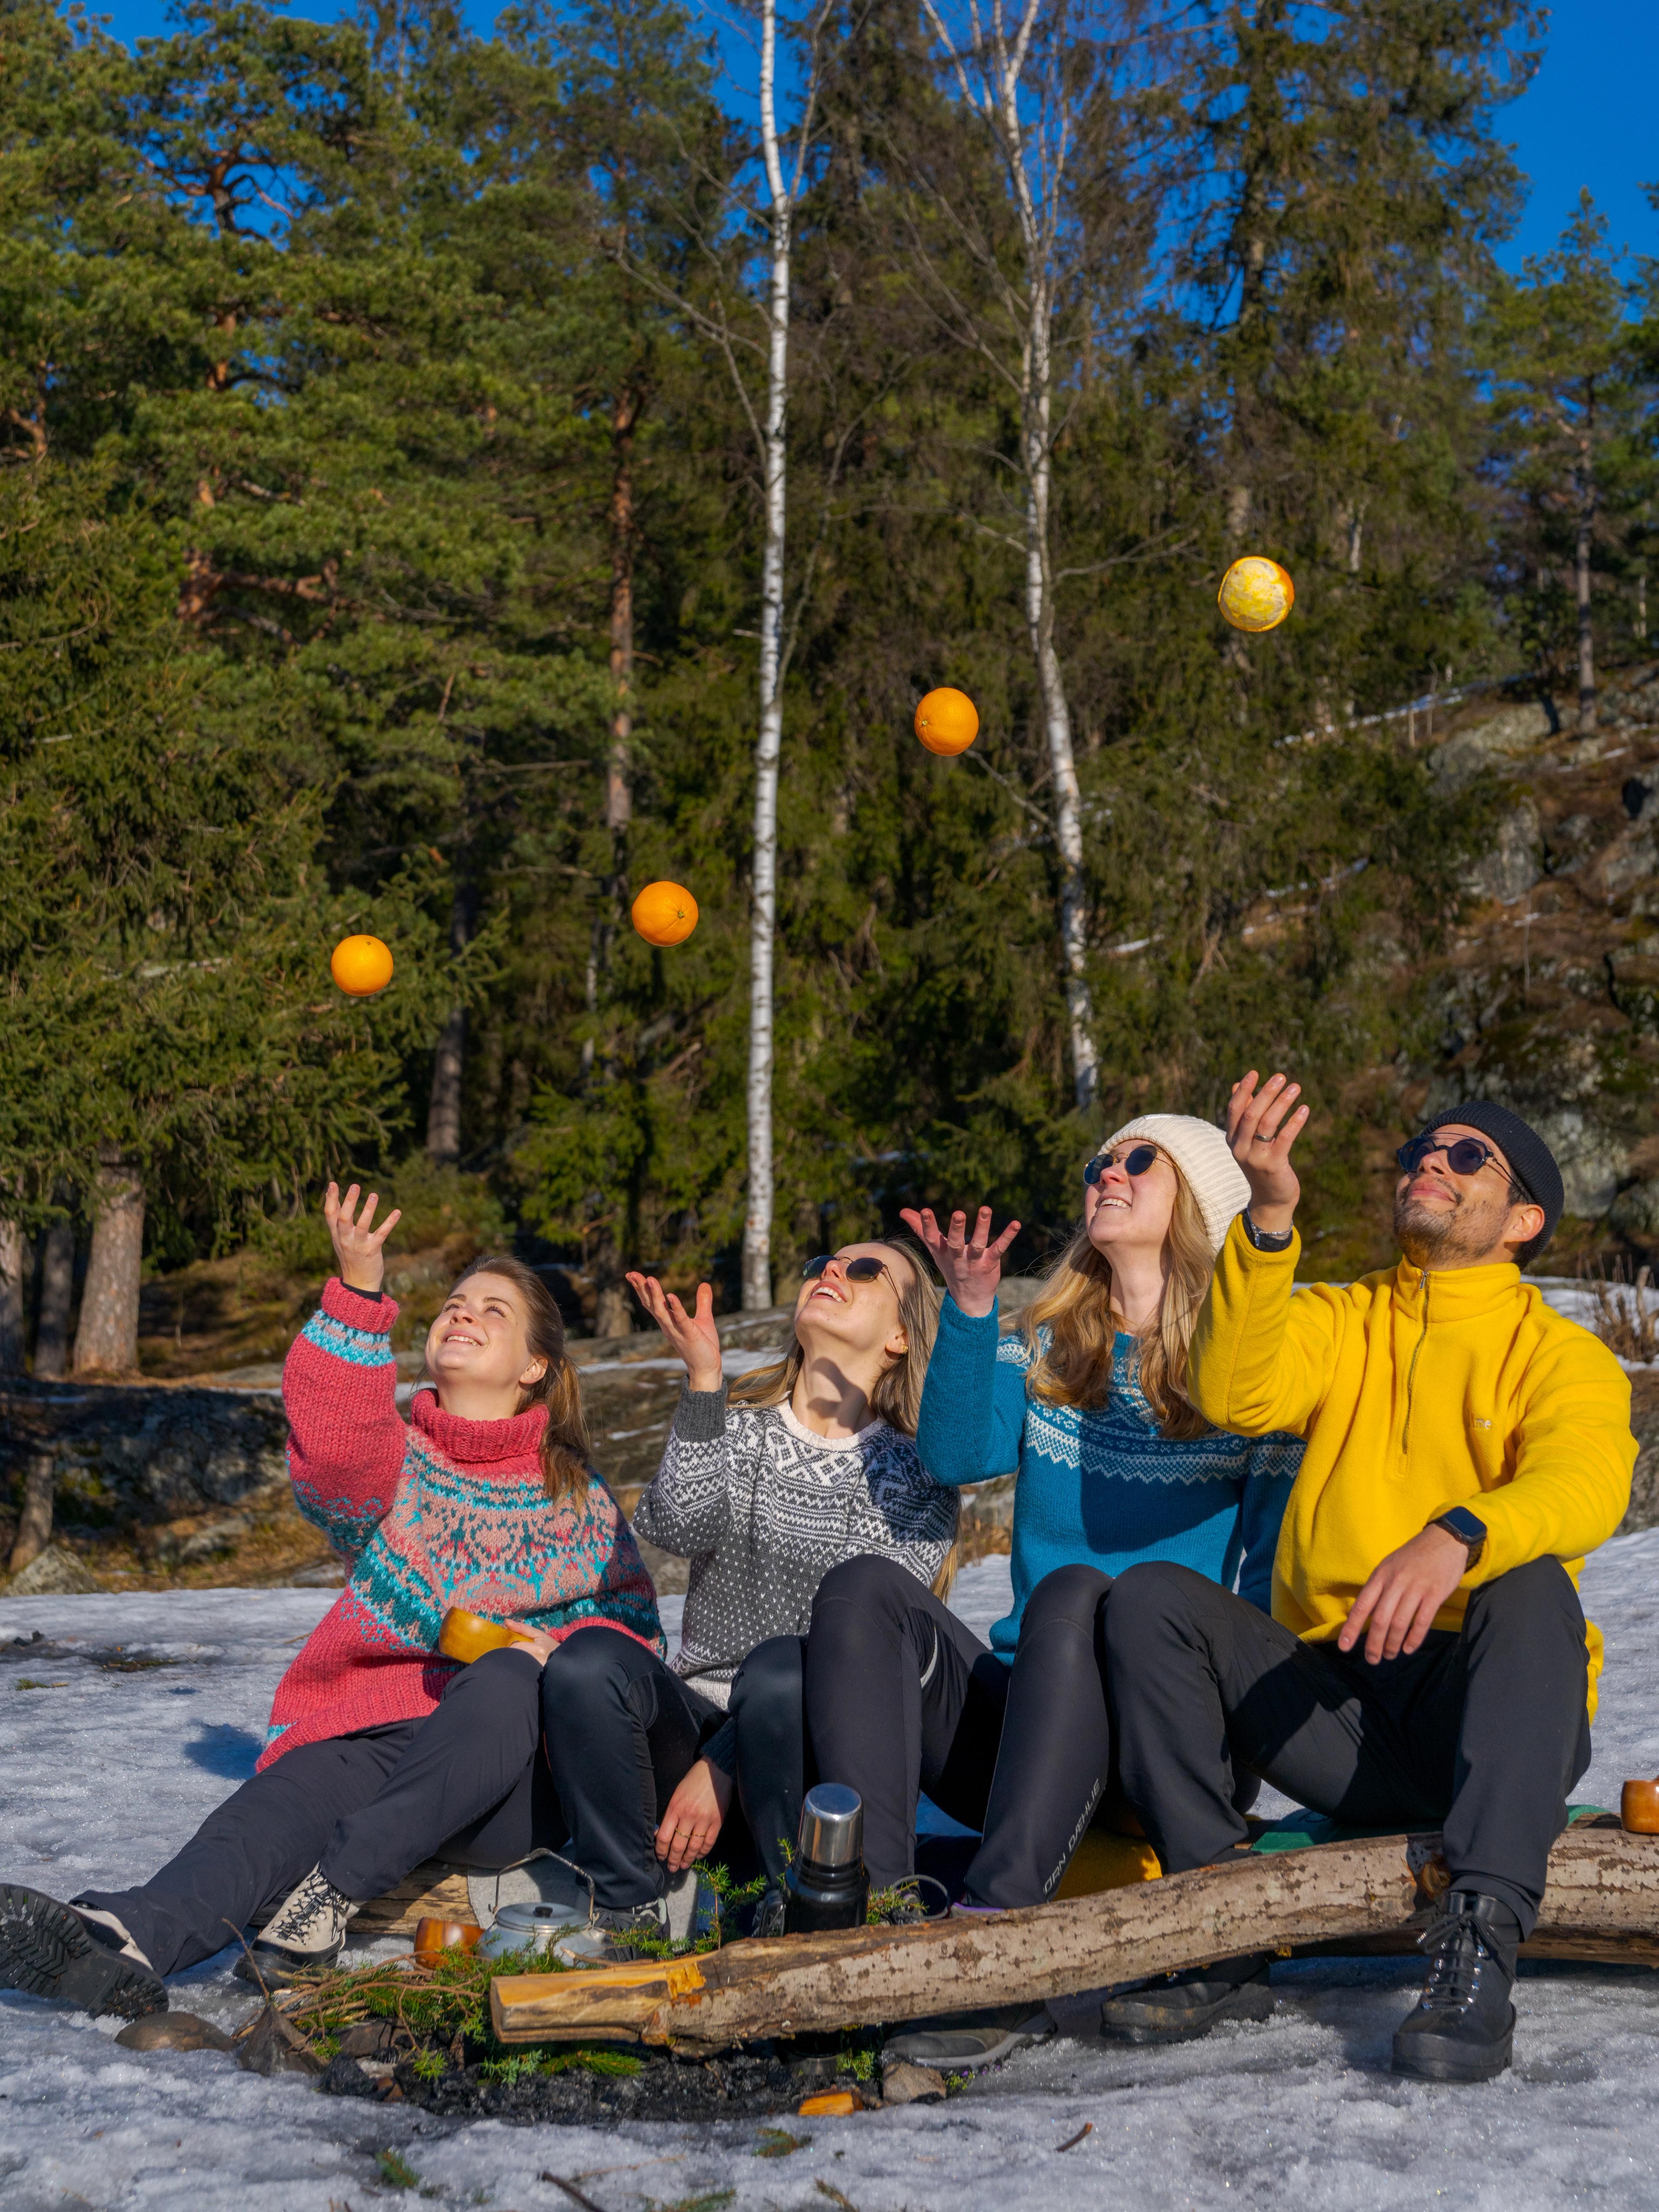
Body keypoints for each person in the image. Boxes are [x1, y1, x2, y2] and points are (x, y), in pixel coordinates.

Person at [0, 1182, 663, 2019]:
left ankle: (332, 1890)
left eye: (492, 1311)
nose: (462, 1315)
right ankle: (118, 1939)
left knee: (503, 1682)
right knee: (259, 1826)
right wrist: (357, 1292)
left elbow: (635, 1643)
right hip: (376, 1735)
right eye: (454, 1305)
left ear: (536, 1366)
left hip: (510, 1779)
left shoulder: (580, 1499)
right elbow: (334, 1456)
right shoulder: (401, 1460)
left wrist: (547, 1651)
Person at [1101, 1074, 1636, 2083]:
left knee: (1530, 1587)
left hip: (1493, 1702)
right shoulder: (1341, 1317)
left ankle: (1478, 1947)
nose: (1432, 1158)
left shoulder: (1563, 1354)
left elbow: (1589, 1482)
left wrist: (1461, 1533)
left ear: (1524, 1220)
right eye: (1424, 1148)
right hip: (1341, 1701)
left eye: (1468, 1155)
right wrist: (1269, 1217)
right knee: (1150, 1601)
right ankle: (1222, 1924)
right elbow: (1233, 1390)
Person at [799, 1116, 1302, 1914]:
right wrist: (969, 1308)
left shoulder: (1255, 1384)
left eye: (1139, 1160)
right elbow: (956, 1457)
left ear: (1204, 1201)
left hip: (1164, 1740)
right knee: (863, 1589)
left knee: (1074, 1590)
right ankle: (875, 1912)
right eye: (1100, 1160)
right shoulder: (1048, 1353)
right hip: (1027, 1726)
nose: (1107, 1171)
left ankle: (1003, 1917)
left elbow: (1273, 1584)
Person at [624, 1240, 957, 1920]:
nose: (832, 1271)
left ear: (900, 1335)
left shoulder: (916, 1476)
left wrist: (725, 1762)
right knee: (594, 1666)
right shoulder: (739, 1424)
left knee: (785, 1668)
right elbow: (673, 1530)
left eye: (864, 1271)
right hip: (700, 1718)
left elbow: (846, 1654)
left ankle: (789, 1912)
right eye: (822, 1265)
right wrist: (705, 1382)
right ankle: (623, 1906)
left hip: (816, 1752)